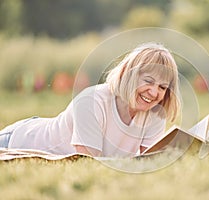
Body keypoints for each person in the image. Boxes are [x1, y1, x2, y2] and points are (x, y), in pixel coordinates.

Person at [0, 42, 181, 157]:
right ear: (129, 75)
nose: (154, 92)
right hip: (16, 141)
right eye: (148, 81)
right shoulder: (92, 102)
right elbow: (88, 164)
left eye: (162, 87)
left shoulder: (156, 114)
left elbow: (146, 163)